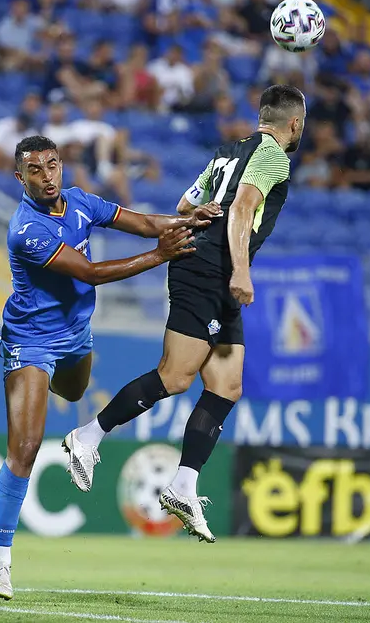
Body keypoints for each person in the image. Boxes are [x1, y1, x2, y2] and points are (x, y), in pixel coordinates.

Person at [0, 135, 220, 600]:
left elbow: (142, 222)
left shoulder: (80, 201)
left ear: (62, 165)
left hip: (76, 336)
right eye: (35, 170)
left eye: (52, 165)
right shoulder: (26, 228)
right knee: (26, 447)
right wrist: (160, 255)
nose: (46, 176)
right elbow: (90, 272)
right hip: (33, 340)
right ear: (19, 177)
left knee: (74, 392)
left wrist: (186, 220)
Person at [62, 84, 305, 542]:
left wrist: (220, 234)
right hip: (211, 268)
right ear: (294, 123)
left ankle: (183, 485)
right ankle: (88, 436)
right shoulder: (274, 155)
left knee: (227, 385)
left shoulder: (227, 151)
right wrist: (241, 271)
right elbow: (242, 209)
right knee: (175, 377)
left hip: (212, 264)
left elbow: (185, 205)